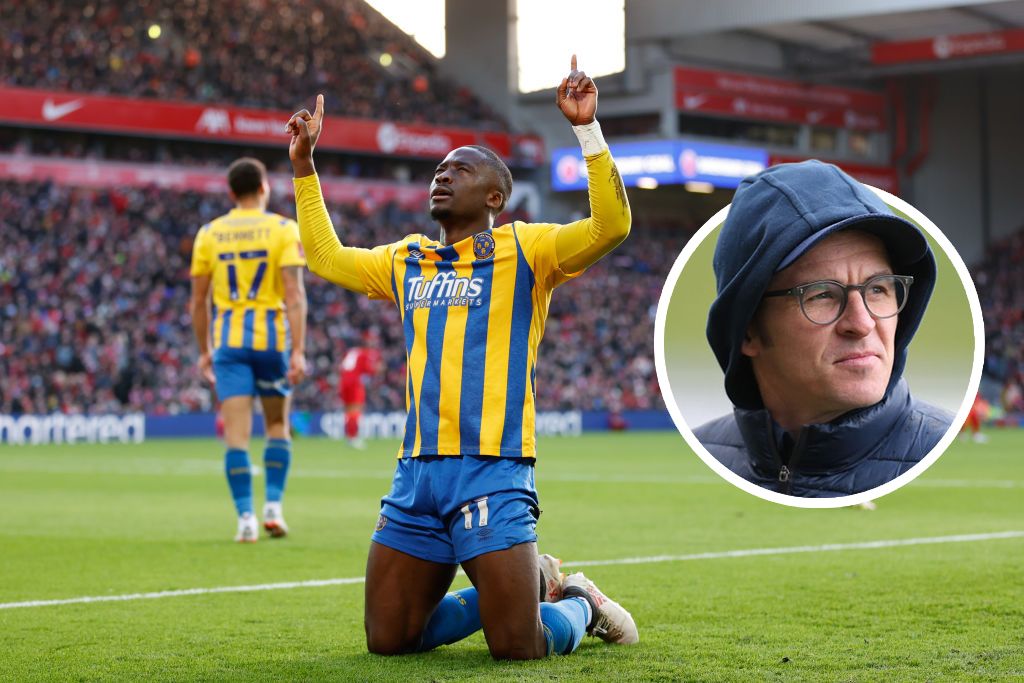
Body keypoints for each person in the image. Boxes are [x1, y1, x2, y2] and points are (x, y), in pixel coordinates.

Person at [285, 57, 638, 659]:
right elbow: (324, 256)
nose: (441, 178)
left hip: (493, 468)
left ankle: (580, 603)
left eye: (460, 170)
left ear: (495, 195)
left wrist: (587, 131)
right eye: (439, 170)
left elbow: (611, 226)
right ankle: (542, 579)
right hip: (417, 471)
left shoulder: (529, 248)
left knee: (517, 647)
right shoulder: (404, 259)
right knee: (391, 640)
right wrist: (303, 167)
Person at [695, 160, 954, 497]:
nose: (862, 324)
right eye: (821, 295)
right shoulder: (704, 454)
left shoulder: (946, 448)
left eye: (878, 289)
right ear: (747, 331)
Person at [190, 157, 309, 541]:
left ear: (230, 192)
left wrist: (204, 349)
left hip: (229, 344)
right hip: (272, 341)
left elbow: (198, 301)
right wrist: (298, 351)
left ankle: (246, 519)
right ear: (264, 188)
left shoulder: (209, 233)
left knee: (236, 437)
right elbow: (294, 295)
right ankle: (273, 506)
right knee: (277, 426)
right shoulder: (282, 229)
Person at [338, 333, 381, 449]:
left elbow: (343, 366)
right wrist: (378, 369)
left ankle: (349, 436)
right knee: (356, 410)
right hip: (354, 382)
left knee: (348, 410)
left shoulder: (352, 351)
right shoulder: (365, 353)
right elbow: (369, 370)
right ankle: (353, 437)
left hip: (343, 381)